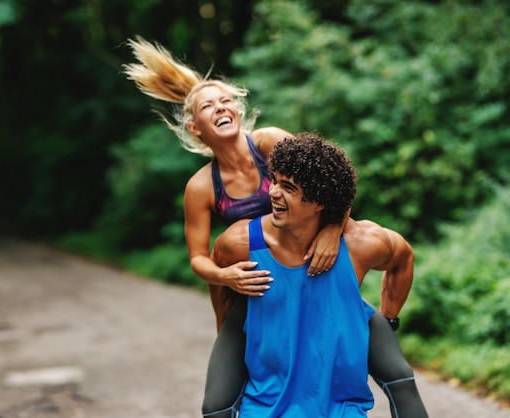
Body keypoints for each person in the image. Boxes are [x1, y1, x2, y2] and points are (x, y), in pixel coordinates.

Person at [123, 37, 428, 418]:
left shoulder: (269, 142)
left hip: (319, 272)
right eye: (208, 106)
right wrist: (226, 279)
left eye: (225, 100)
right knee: (218, 404)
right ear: (195, 127)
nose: (220, 108)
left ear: (238, 108)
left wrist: (333, 229)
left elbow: (328, 176)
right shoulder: (202, 188)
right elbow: (201, 259)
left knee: (393, 378)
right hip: (261, 286)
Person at [211, 133, 418, 417]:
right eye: (275, 181)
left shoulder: (361, 244)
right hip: (264, 403)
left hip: (341, 404)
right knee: (214, 409)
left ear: (319, 201)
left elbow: (404, 258)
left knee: (406, 390)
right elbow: (218, 273)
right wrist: (227, 328)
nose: (272, 192)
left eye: (288, 187)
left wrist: (388, 318)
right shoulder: (241, 242)